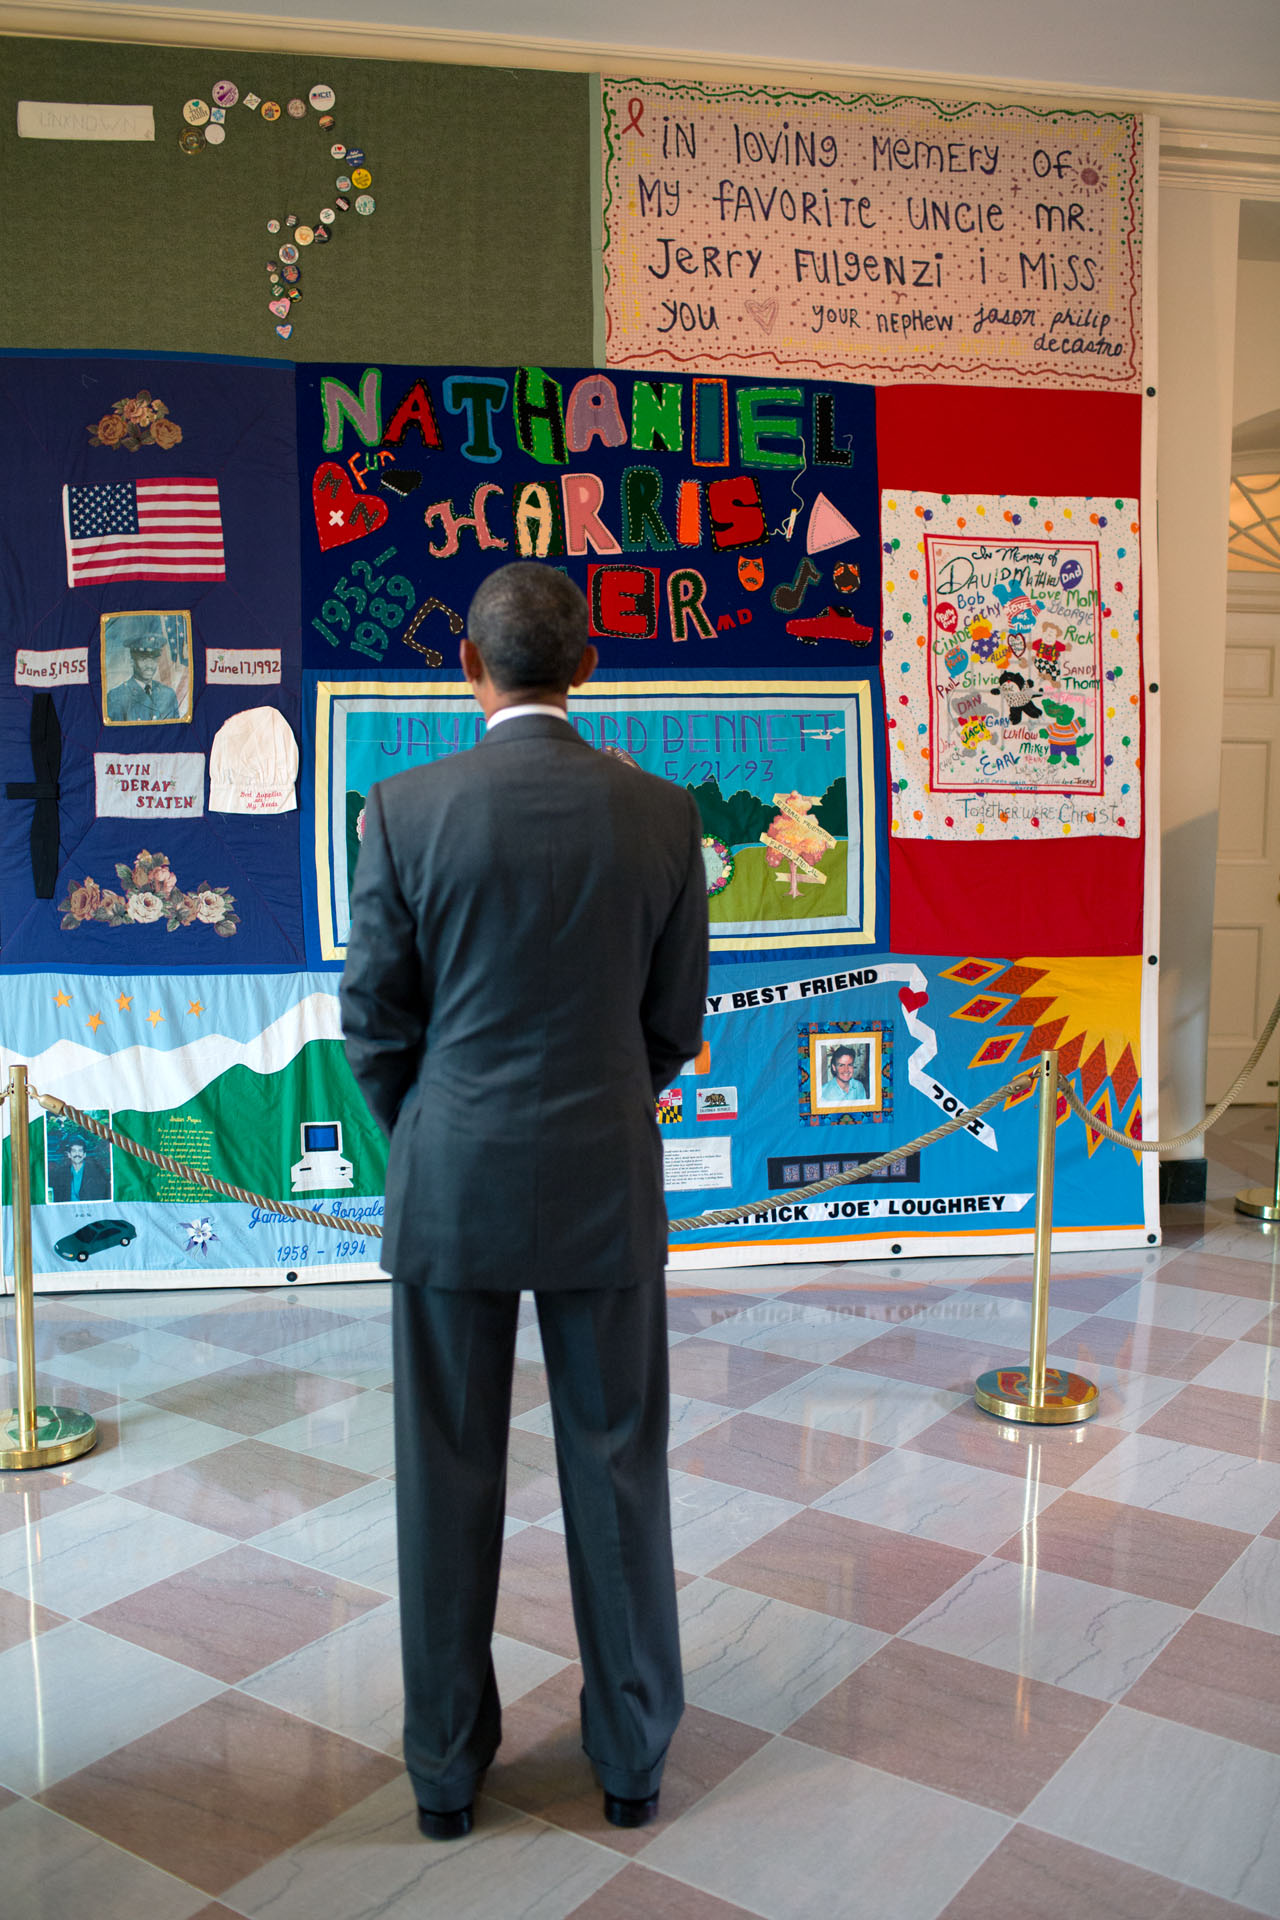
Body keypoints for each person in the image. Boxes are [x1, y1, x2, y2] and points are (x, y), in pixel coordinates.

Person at [340, 562, 708, 1842]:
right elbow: (672, 1027)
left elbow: (374, 1023)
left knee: (441, 1479)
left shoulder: (402, 808)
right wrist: (601, 1099)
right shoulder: (661, 815)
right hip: (607, 1172)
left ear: (466, 664)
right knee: (617, 1471)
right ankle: (629, 1762)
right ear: (589, 665)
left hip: (451, 1178)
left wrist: (437, 1134)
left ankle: (446, 1776)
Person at [106, 633, 180, 722]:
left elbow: (177, 730)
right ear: (132, 662)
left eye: (153, 659)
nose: (149, 665)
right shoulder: (117, 697)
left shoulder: (168, 695)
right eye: (143, 659)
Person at [48, 1134, 110, 1202]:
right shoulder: (61, 1173)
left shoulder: (95, 1172)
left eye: (80, 1151)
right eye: (74, 1151)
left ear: (84, 1155)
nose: (77, 1154)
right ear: (69, 1155)